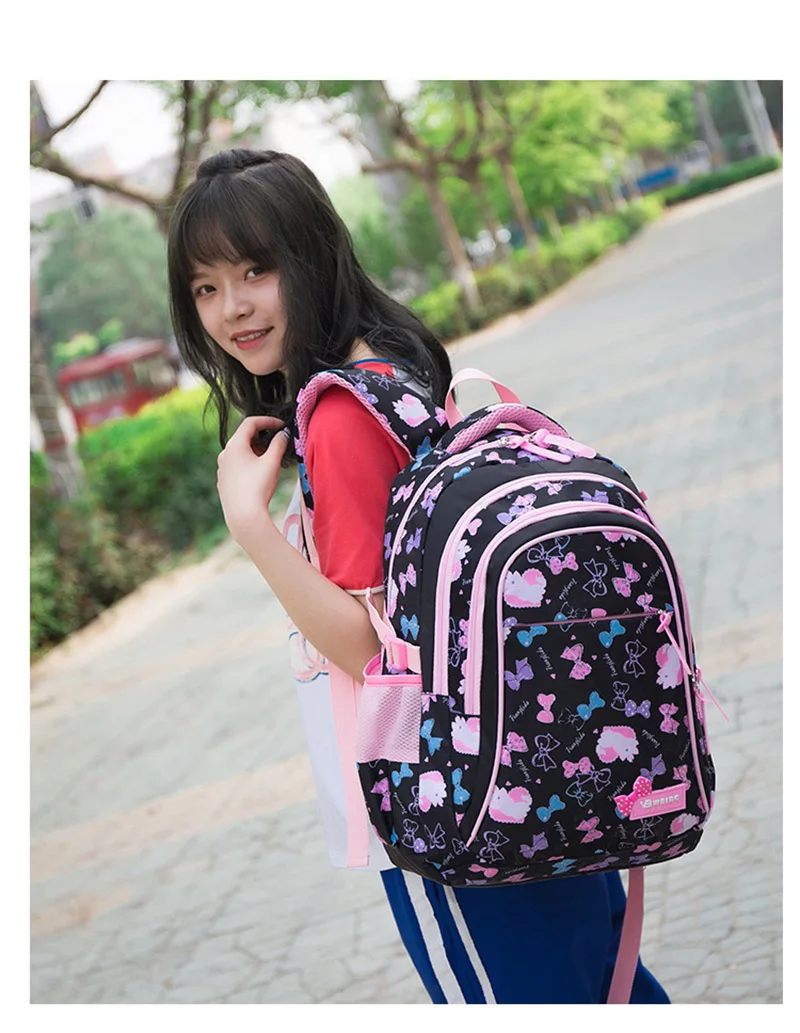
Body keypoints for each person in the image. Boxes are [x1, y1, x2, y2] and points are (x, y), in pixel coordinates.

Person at [166, 148, 670, 1005]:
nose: (232, 308)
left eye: (255, 270)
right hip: (525, 752)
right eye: (205, 286)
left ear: (311, 257)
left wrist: (252, 527)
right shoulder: (395, 363)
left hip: (450, 792)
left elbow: (375, 651)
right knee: (602, 987)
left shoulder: (338, 413)